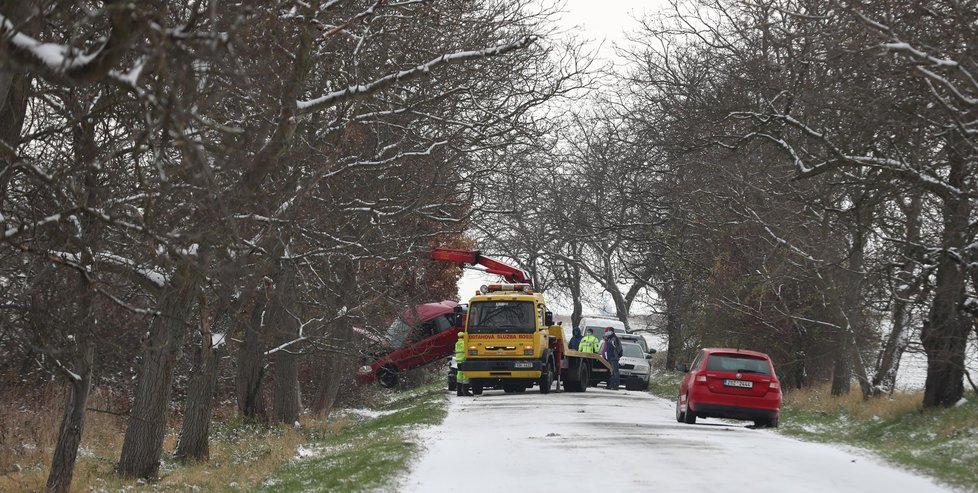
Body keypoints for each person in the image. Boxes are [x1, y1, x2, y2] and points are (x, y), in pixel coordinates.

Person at [455, 332, 472, 396]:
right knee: (465, 376)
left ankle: (459, 392)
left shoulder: (457, 343)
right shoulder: (464, 343)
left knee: (459, 376)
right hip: (464, 361)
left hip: (458, 361)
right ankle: (466, 392)